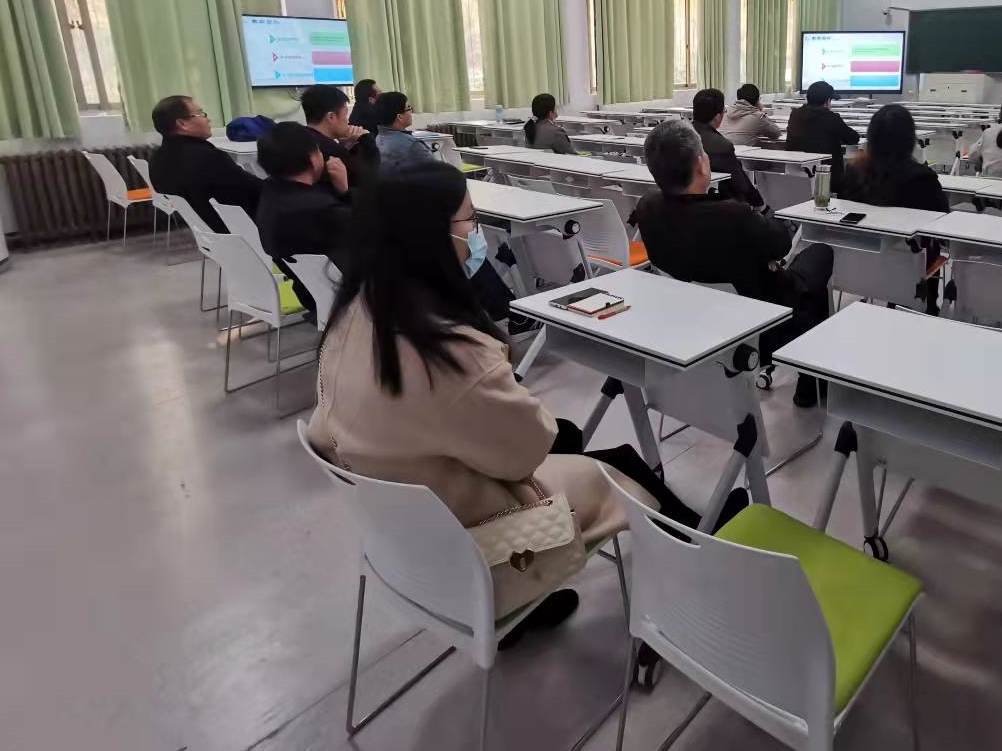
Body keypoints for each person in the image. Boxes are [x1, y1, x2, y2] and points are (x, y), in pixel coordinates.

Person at [307, 161, 724, 628]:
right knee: (618, 468)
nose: (475, 234)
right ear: (430, 238)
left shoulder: (354, 313)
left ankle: (529, 607)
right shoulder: (450, 354)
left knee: (573, 436)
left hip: (402, 528)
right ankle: (701, 554)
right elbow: (524, 454)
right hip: (476, 534)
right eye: (470, 220)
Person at [633, 120, 833, 407]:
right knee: (820, 255)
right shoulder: (733, 215)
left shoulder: (647, 206)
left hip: (689, 319)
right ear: (701, 165)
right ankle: (810, 381)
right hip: (760, 320)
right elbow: (782, 245)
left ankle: (811, 374)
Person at [149, 94, 262, 231]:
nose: (208, 119)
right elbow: (256, 189)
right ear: (182, 124)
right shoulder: (208, 157)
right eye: (201, 114)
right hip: (243, 231)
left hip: (207, 232)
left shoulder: (158, 158)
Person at [254, 122, 353, 274]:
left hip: (300, 282)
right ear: (313, 159)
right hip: (339, 283)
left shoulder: (268, 191)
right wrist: (346, 193)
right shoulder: (324, 210)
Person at [839, 105, 950, 213]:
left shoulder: (854, 173)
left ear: (871, 137)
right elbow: (942, 217)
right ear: (910, 139)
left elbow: (842, 210)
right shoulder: (923, 180)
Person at [691, 88, 764, 208]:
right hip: (715, 205)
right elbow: (741, 183)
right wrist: (761, 205)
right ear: (718, 117)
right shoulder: (720, 145)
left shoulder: (678, 135)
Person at [786, 80, 860, 189]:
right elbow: (854, 138)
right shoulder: (832, 118)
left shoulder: (795, 115)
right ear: (827, 101)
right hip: (827, 177)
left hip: (797, 175)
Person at [302, 84, 377, 188]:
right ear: (331, 117)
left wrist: (347, 147)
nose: (348, 120)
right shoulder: (333, 154)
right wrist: (367, 141)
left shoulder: (298, 139)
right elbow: (369, 182)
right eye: (345, 115)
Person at [374, 92, 436, 171]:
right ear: (400, 117)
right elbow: (437, 171)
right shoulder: (412, 145)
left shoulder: (378, 138)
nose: (411, 112)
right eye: (408, 108)